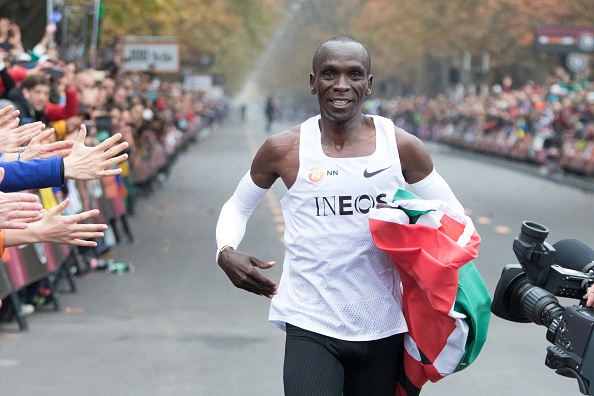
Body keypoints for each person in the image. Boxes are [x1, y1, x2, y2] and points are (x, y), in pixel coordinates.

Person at [215, 35, 465, 395]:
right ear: (313, 81)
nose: (342, 85)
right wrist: (225, 250)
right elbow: (238, 206)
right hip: (310, 321)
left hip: (383, 324)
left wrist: (408, 220)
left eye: (354, 74)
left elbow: (452, 218)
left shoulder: (401, 146)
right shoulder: (284, 149)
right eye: (330, 74)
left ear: (369, 84)